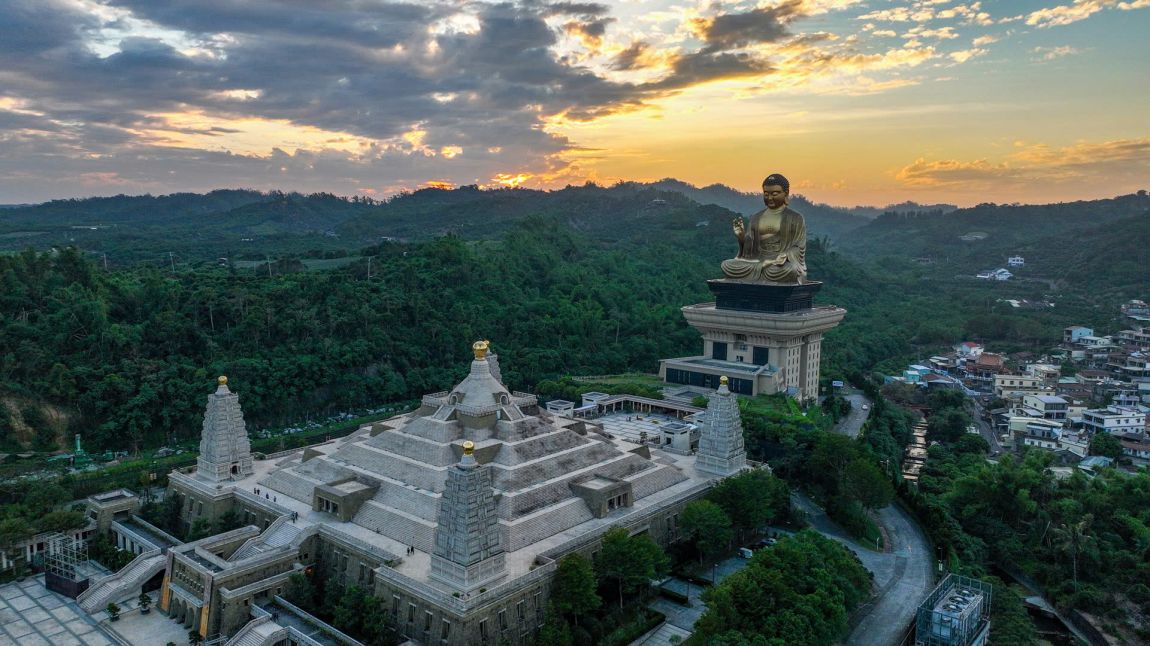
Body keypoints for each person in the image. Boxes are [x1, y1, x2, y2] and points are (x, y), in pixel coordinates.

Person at [720, 173, 807, 284]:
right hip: (758, 261)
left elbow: (798, 247)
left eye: (775, 194)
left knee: (791, 270)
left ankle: (762, 271)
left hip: (780, 264)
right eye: (766, 194)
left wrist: (785, 255)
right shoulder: (756, 218)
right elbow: (749, 252)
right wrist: (741, 237)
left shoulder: (795, 218)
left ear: (786, 193)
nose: (770, 198)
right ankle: (762, 269)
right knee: (726, 265)